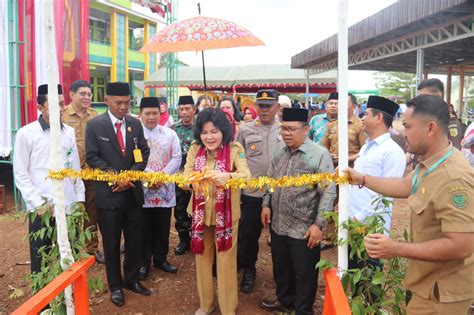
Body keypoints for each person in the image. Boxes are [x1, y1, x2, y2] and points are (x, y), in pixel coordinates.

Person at [344, 95, 473, 314]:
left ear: (430, 128)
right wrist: (362, 179)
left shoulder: (453, 178)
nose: (403, 133)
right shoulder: (432, 163)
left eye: (407, 126)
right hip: (428, 282)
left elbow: (461, 245)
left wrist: (395, 248)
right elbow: (405, 185)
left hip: (442, 292)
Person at [260, 108, 336, 315]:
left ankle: (303, 310)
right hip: (278, 222)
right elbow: (270, 181)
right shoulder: (279, 151)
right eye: (283, 128)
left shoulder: (319, 155)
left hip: (304, 227)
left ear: (306, 129)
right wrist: (266, 204)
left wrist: (318, 225)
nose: (286, 133)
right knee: (281, 266)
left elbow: (328, 193)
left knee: (305, 273)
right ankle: (284, 300)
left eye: (292, 129)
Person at [85, 82, 151, 307]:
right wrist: (116, 177)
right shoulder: (95, 126)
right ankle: (115, 286)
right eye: (119, 103)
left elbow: (143, 152)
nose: (124, 107)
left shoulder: (135, 124)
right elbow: (93, 158)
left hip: (132, 193)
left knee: (134, 241)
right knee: (111, 244)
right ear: (107, 101)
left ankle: (132, 280)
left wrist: (130, 177)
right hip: (109, 194)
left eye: (127, 102)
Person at [183, 108, 251, 315]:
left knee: (225, 263)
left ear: (223, 130)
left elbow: (246, 175)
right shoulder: (195, 149)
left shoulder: (234, 148)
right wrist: (195, 179)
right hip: (199, 215)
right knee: (202, 260)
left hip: (227, 216)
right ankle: (206, 305)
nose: (209, 137)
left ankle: (228, 308)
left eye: (214, 131)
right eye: (204, 132)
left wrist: (228, 177)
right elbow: (185, 178)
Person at [14, 84, 85, 275]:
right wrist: (39, 204)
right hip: (42, 209)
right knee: (41, 257)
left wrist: (79, 199)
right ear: (40, 107)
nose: (60, 109)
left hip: (68, 205)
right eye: (54, 105)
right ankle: (44, 303)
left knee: (70, 254)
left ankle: (69, 299)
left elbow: (74, 167)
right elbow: (20, 174)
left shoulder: (68, 132)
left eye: (62, 104)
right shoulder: (26, 134)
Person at [347, 96, 406, 302]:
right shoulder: (367, 147)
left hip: (371, 228)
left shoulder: (392, 152)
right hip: (354, 222)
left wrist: (359, 218)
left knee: (369, 285)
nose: (361, 117)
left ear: (379, 117)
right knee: (354, 278)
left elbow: (386, 195)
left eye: (366, 114)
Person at [236, 89, 282, 294]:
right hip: (253, 193)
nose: (264, 110)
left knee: (280, 237)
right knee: (248, 235)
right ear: (255, 107)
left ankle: (282, 277)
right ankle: (248, 270)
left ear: (277, 107)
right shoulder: (245, 130)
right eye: (261, 106)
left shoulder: (285, 129)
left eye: (269, 105)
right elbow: (236, 161)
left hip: (279, 193)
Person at [138, 97, 182, 280]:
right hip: (142, 189)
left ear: (160, 113)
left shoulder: (169, 134)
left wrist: (161, 176)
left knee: (163, 225)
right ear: (140, 114)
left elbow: (177, 157)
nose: (151, 117)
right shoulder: (134, 135)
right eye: (147, 113)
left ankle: (161, 258)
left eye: (154, 113)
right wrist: (149, 177)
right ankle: (143, 263)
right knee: (143, 227)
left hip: (164, 189)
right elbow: (134, 161)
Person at [62, 80, 104, 264]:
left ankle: (92, 249)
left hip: (91, 173)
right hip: (70, 176)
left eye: (89, 94)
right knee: (69, 212)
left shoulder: (95, 117)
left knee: (91, 213)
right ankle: (68, 249)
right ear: (71, 95)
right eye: (83, 94)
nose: (87, 97)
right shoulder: (62, 116)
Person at [172, 95, 197, 255]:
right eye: (181, 109)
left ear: (194, 110)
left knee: (196, 210)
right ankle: (183, 240)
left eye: (188, 109)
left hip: (196, 177)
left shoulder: (201, 128)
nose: (184, 112)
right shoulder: (173, 129)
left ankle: (197, 239)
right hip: (178, 177)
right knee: (180, 211)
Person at [417, 78, 466, 149]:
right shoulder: (424, 117)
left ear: (436, 95)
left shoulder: (450, 121)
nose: (420, 101)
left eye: (423, 97)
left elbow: (452, 151)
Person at [321, 93, 367, 166]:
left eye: (345, 104)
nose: (341, 106)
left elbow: (365, 151)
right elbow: (324, 147)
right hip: (332, 168)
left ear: (354, 107)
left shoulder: (361, 125)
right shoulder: (332, 125)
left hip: (351, 169)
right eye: (340, 104)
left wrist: (346, 159)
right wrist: (329, 155)